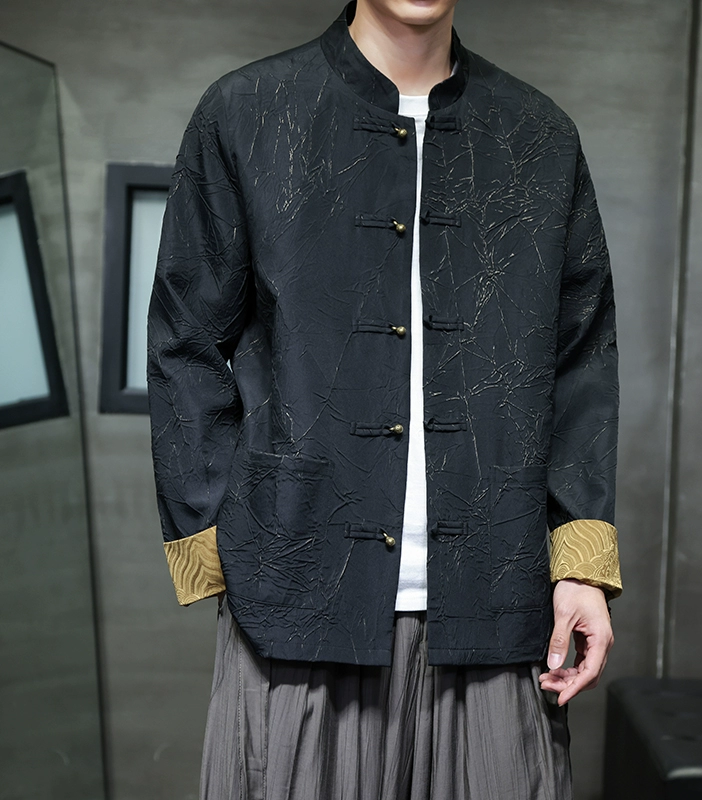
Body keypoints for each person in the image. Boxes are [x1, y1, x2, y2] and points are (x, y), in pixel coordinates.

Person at [147, 1, 622, 797]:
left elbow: (582, 362)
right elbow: (183, 339)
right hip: (299, 608)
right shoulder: (247, 112)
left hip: (498, 609)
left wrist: (580, 566)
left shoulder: (539, 136)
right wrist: (230, 528)